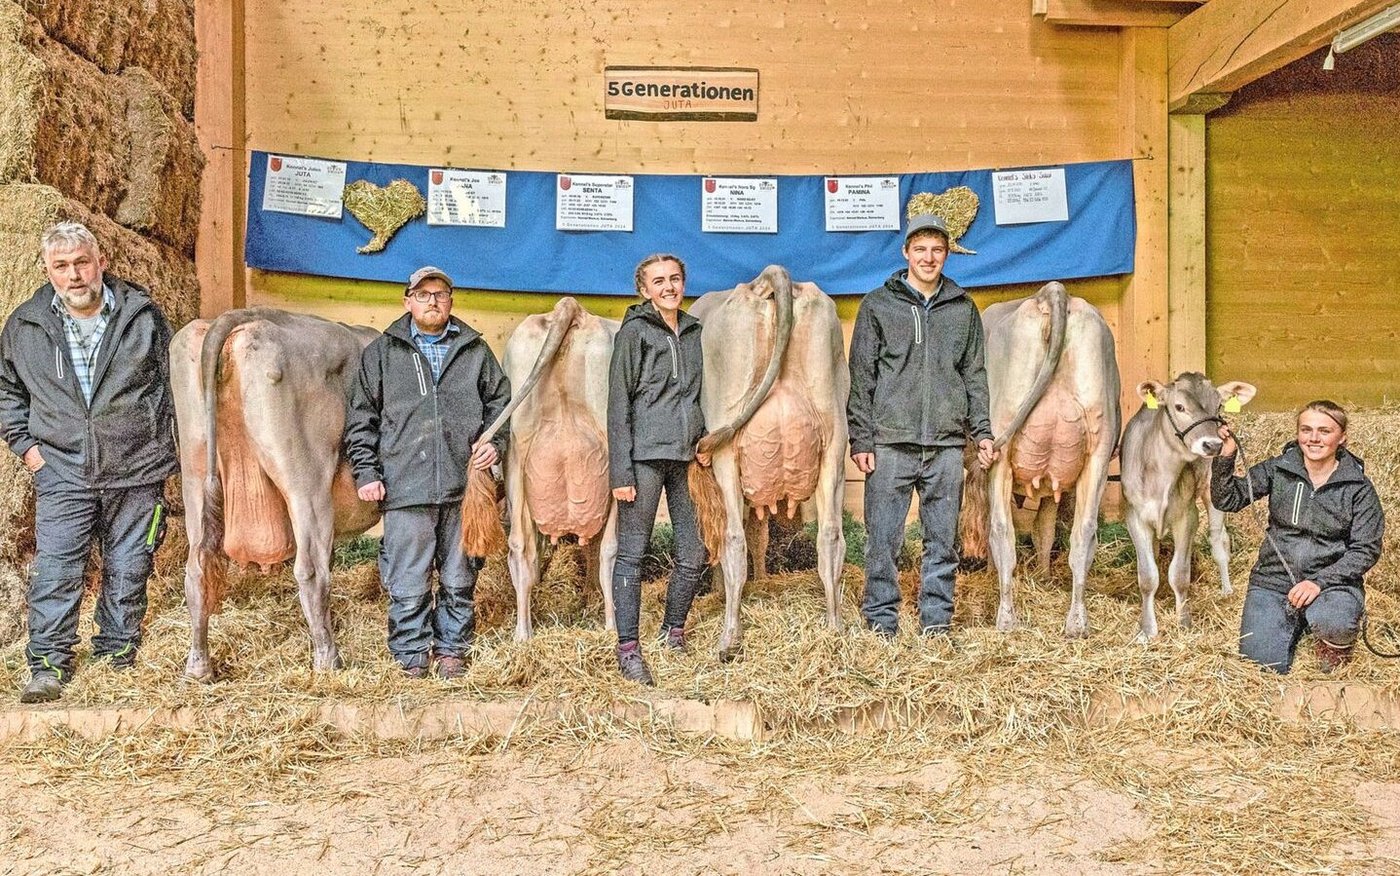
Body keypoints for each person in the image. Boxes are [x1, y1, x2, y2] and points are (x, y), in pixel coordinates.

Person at [0, 222, 178, 703]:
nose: (75, 275)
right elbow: (7, 392)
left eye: (82, 262)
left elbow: (173, 387)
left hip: (137, 468)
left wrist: (167, 455)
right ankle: (48, 665)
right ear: (47, 271)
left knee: (129, 563)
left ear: (101, 262)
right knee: (57, 568)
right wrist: (28, 450)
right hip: (62, 470)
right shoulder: (26, 325)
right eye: (62, 266)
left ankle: (116, 657)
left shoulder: (142, 317)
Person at [345, 266, 509, 680]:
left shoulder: (475, 351)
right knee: (408, 576)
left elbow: (501, 406)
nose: (432, 301)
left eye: (440, 293)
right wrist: (367, 473)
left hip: (465, 487)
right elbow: (361, 419)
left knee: (460, 573)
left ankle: (452, 649)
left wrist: (496, 444)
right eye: (422, 294)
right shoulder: (382, 354)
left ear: (451, 300)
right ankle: (411, 654)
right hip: (405, 486)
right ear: (407, 301)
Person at [847, 214, 997, 638]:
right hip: (891, 442)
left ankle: (936, 622)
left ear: (946, 255)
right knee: (883, 540)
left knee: (942, 542)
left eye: (937, 250)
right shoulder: (878, 305)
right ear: (906, 253)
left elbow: (975, 376)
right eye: (921, 250)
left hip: (947, 445)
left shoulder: (963, 308)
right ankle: (881, 621)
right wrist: (862, 437)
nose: (929, 258)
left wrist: (982, 432)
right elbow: (862, 377)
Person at [1213, 401, 1384, 673]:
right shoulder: (1279, 469)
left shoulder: (1358, 487)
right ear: (1298, 434)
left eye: (1324, 431)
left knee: (1336, 622)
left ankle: (1327, 634)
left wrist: (1318, 582)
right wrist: (1226, 457)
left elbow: (1366, 549)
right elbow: (1228, 499)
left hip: (1332, 584)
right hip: (1274, 579)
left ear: (1342, 437)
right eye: (1306, 429)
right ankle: (1293, 624)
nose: (1313, 438)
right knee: (1261, 666)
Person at [607, 253, 706, 686]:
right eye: (659, 281)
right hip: (644, 459)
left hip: (686, 458)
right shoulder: (634, 333)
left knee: (694, 552)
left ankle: (673, 630)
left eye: (675, 279)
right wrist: (620, 474)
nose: (669, 287)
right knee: (632, 554)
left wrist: (704, 438)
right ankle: (628, 648)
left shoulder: (692, 331)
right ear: (644, 290)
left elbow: (698, 395)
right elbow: (618, 404)